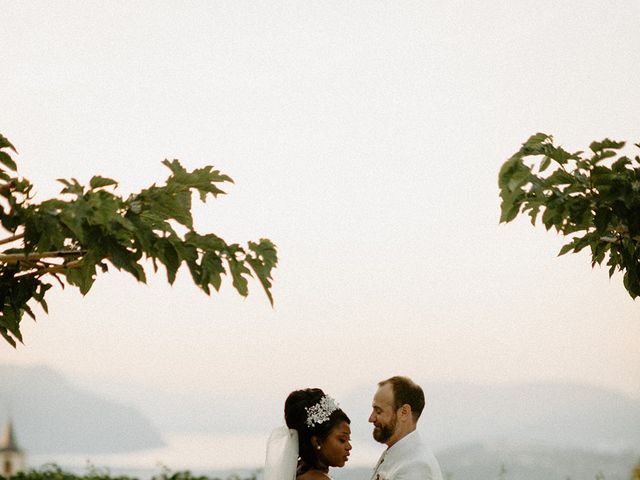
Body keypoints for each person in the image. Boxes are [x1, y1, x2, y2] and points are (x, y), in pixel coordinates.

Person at [265, 388, 352, 480]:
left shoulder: (298, 472)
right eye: (342, 440)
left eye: (349, 440)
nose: (349, 446)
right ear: (317, 442)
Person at [369, 376, 443, 480]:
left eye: (378, 411)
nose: (371, 418)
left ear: (404, 412)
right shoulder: (397, 454)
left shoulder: (417, 466)